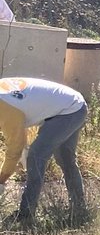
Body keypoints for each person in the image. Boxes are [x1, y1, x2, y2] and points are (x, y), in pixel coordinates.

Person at [0, 76, 88, 227]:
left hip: (70, 109)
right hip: (72, 104)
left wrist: (1, 179)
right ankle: (79, 210)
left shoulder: (6, 108)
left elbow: (16, 148)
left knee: (36, 156)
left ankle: (25, 215)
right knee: (66, 160)